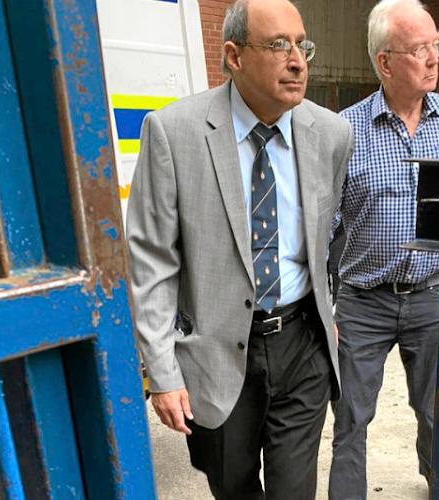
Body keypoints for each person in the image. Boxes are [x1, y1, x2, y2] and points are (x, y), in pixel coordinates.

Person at [126, 0, 354, 498]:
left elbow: (327, 235)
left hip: (302, 345)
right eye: (278, 46)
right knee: (233, 486)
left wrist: (328, 305)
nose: (298, 61)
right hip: (217, 351)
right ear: (233, 56)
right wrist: (162, 373)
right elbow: (151, 260)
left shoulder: (332, 135)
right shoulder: (173, 132)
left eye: (302, 45)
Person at [328, 0, 439, 498]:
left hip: (432, 295)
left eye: (436, 45)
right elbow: (321, 224)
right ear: (385, 62)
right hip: (363, 302)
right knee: (350, 418)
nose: (434, 58)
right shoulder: (345, 130)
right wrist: (324, 302)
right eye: (420, 49)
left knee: (436, 411)